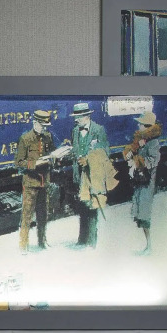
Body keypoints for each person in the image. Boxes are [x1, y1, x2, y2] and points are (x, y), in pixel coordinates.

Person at [14, 110, 55, 252]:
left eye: (46, 126)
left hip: (44, 181)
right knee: (27, 215)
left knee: (43, 214)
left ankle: (42, 241)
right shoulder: (25, 139)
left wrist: (55, 157)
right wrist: (34, 164)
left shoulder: (48, 137)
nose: (44, 129)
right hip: (31, 183)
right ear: (35, 123)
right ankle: (23, 245)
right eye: (42, 126)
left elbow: (51, 152)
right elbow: (18, 162)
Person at [70, 102, 109, 248]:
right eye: (75, 117)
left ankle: (92, 241)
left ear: (87, 116)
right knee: (82, 206)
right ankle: (82, 239)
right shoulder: (75, 131)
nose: (76, 120)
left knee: (93, 206)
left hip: (92, 175)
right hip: (80, 175)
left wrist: (89, 160)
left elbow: (105, 152)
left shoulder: (98, 130)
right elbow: (75, 151)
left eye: (79, 117)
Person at [123, 112, 161, 254]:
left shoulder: (153, 142)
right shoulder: (141, 139)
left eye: (140, 123)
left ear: (147, 126)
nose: (138, 125)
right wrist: (130, 153)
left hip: (147, 181)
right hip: (140, 180)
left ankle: (150, 246)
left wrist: (137, 162)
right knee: (141, 212)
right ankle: (148, 245)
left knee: (144, 213)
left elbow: (153, 160)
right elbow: (133, 151)